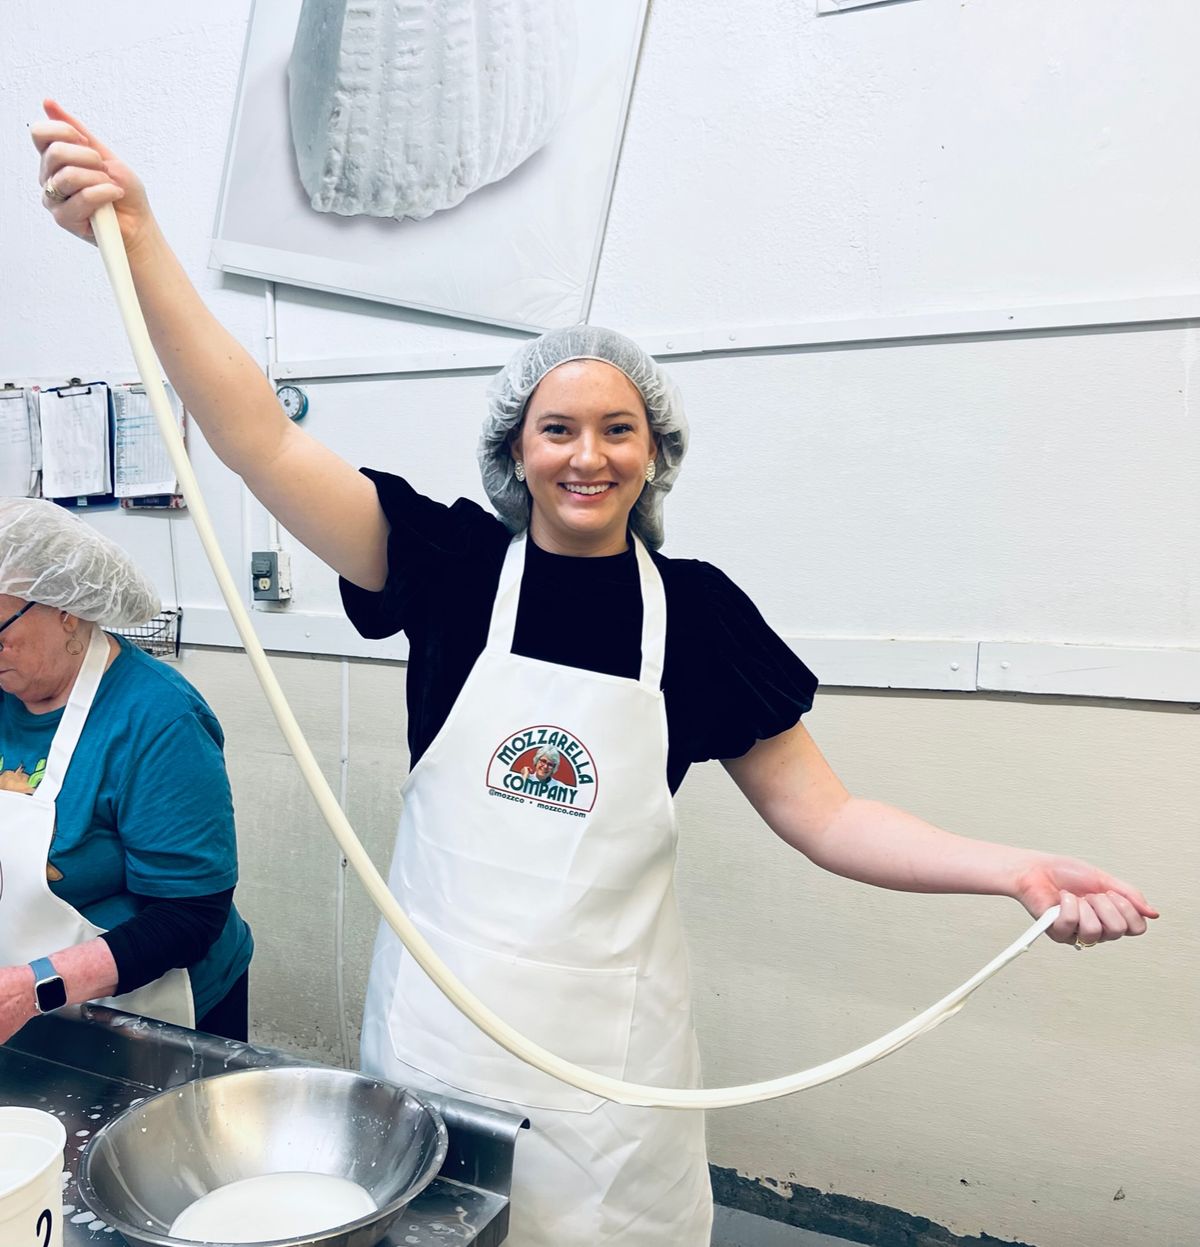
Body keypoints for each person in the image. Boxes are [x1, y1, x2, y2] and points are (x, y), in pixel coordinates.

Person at [34, 103, 1157, 1246]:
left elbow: (830, 814)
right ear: (515, 451)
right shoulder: (448, 567)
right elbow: (259, 436)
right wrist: (143, 238)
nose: (587, 454)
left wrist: (1011, 868)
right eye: (557, 427)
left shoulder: (704, 615)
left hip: (613, 1091)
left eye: (617, 429)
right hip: (438, 1047)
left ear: (655, 451)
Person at [0, 497, 253, 1043]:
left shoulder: (157, 717)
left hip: (146, 1007)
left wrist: (32, 988)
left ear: (64, 608)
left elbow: (188, 918)